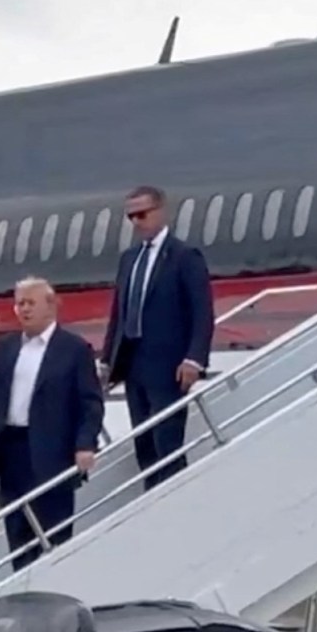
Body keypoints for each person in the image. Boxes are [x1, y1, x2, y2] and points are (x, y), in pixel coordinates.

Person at [0, 277, 104, 570]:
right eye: (20, 304)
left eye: (30, 303)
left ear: (51, 306)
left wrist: (85, 444)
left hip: (53, 450)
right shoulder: (7, 346)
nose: (24, 309)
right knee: (17, 529)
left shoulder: (74, 349)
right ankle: (22, 582)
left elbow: (90, 403)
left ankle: (54, 582)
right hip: (12, 447)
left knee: (53, 529)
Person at [100, 185, 215, 489]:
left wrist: (194, 358)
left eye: (142, 214)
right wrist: (107, 360)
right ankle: (152, 496)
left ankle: (175, 498)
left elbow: (202, 312)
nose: (137, 222)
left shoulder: (183, 257)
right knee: (145, 443)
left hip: (168, 365)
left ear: (160, 212)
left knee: (168, 441)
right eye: (131, 217)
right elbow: (119, 313)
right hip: (133, 363)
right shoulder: (130, 259)